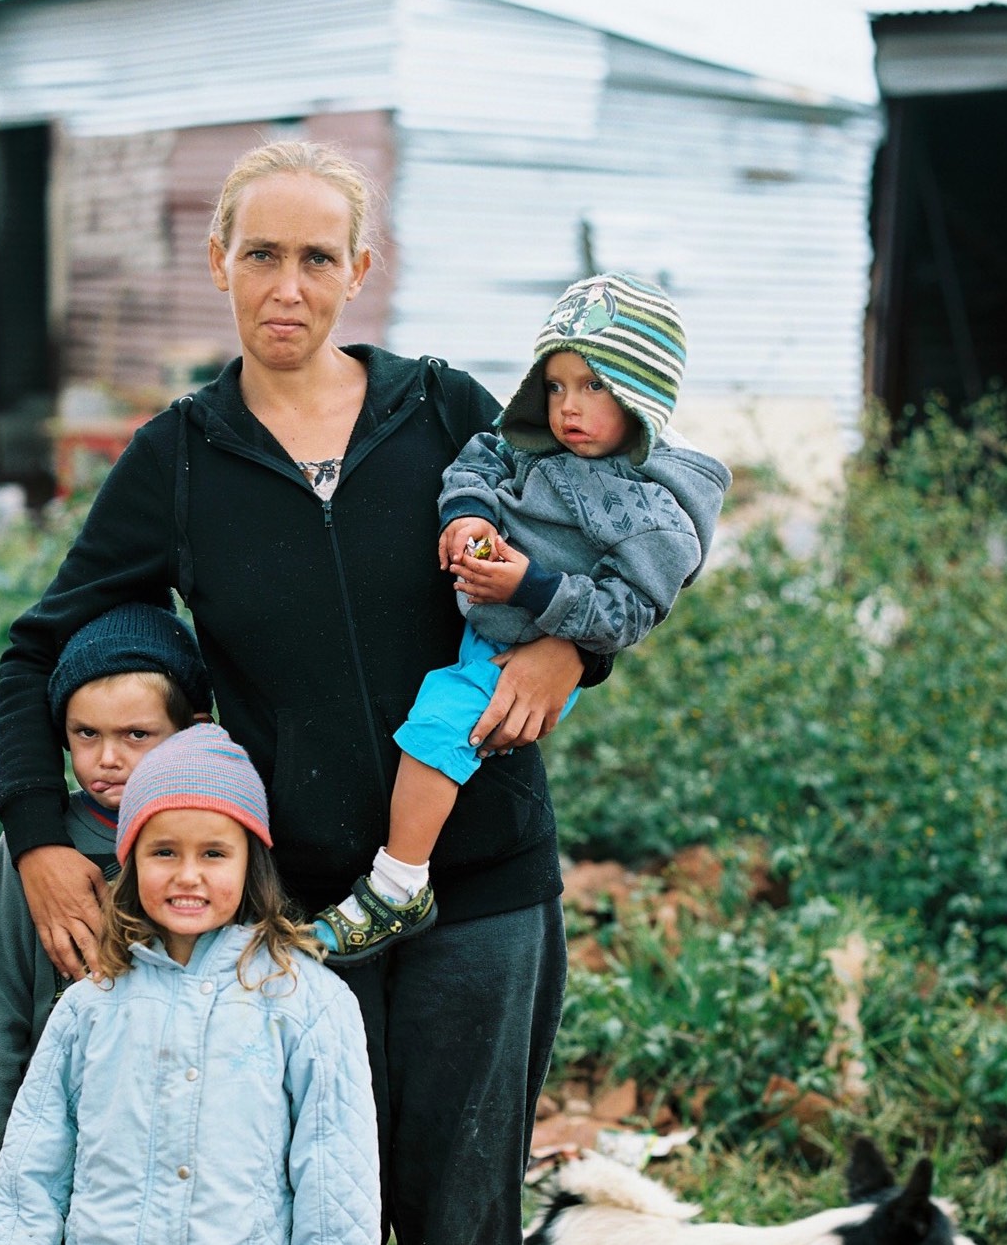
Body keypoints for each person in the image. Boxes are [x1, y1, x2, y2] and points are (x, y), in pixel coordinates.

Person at [0, 139, 611, 1243]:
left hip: (482, 882)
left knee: (460, 1213)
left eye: (318, 258)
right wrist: (37, 833)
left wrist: (569, 648)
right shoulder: (178, 458)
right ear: (216, 258)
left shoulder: (441, 411)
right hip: (301, 915)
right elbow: (37, 645)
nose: (289, 286)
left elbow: (626, 519)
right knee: (305, 1206)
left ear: (359, 268)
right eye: (263, 254)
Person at [312, 273, 731, 962]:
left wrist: (532, 589)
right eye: (558, 384)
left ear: (643, 396)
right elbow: (480, 457)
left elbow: (626, 615)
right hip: (496, 604)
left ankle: (398, 883)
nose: (569, 406)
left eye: (594, 387)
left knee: (438, 726)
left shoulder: (656, 518)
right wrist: (468, 515)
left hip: (524, 643)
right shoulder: (538, 440)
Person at [0, 724, 379, 1244]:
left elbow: (334, 1179)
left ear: (250, 863)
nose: (188, 875)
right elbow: (31, 1174)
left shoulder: (307, 1000)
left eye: (214, 854)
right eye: (164, 852)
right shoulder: (89, 1004)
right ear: (130, 861)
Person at [0, 601, 213, 1204]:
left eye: (137, 735)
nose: (108, 759)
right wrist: (1, 1172)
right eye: (86, 735)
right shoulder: (36, 848)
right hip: (63, 1154)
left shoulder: (224, 845)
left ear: (193, 729)